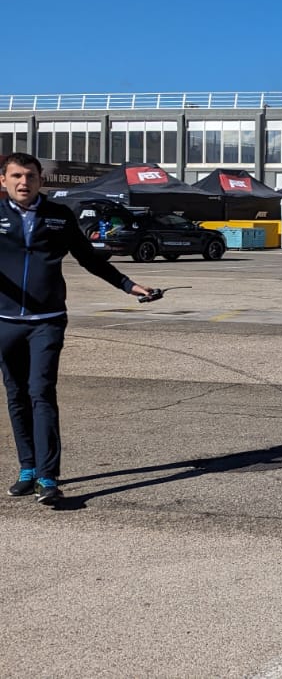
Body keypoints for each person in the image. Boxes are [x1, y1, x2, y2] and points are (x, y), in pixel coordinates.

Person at [1, 153, 153, 507]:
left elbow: (88, 258)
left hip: (47, 320)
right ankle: (27, 468)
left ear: (41, 180)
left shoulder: (58, 216)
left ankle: (48, 477)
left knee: (41, 392)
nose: (25, 182)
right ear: (4, 180)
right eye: (17, 176)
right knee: (16, 395)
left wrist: (128, 285)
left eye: (31, 176)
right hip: (5, 322)